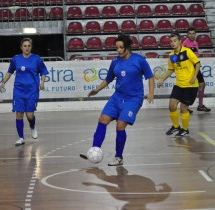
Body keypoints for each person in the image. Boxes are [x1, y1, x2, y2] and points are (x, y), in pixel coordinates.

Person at [86, 33, 154, 166]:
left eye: (121, 47)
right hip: (117, 97)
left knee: (120, 125)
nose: (118, 50)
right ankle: (95, 149)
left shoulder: (139, 60)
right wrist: (97, 90)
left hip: (133, 98)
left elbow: (150, 76)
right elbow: (108, 78)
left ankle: (118, 157)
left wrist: (151, 92)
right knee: (102, 120)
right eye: (117, 48)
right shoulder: (115, 61)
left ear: (128, 47)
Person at [0, 38, 49, 146]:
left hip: (32, 90)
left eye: (29, 46)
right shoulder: (16, 59)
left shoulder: (36, 59)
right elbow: (10, 71)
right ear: (21, 47)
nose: (27, 48)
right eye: (25, 46)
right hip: (19, 90)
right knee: (19, 113)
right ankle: (21, 138)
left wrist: (42, 82)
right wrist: (3, 82)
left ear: (31, 47)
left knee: (30, 115)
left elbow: (43, 71)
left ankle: (32, 126)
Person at [157, 31, 201, 137]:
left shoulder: (187, 52)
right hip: (179, 84)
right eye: (171, 41)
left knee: (183, 108)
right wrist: (162, 79)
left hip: (190, 85)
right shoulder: (171, 55)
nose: (173, 43)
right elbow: (171, 69)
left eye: (175, 41)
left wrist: (194, 76)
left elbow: (198, 63)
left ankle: (185, 129)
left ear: (180, 41)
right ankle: (176, 126)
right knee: (172, 106)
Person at [182, 27, 211, 114]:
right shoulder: (184, 44)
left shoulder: (196, 43)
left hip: (195, 67)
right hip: (188, 69)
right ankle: (184, 107)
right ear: (187, 35)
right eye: (190, 33)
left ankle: (200, 106)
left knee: (202, 84)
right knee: (187, 87)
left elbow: (195, 56)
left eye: (193, 33)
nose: (192, 35)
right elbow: (182, 57)